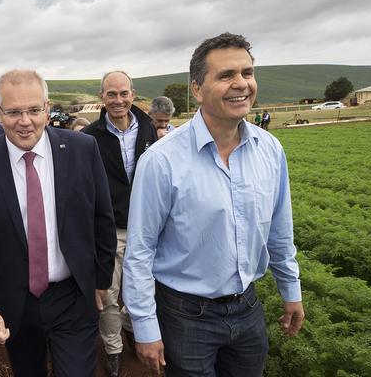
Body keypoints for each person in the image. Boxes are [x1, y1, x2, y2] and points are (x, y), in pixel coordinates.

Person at [123, 32, 305, 376]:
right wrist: (146, 327)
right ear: (196, 89)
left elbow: (280, 231)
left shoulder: (270, 150)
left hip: (247, 306)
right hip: (185, 315)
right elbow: (140, 251)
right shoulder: (162, 160)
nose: (241, 84)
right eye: (225, 75)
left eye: (247, 73)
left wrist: (290, 289)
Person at [0, 69, 117, 377]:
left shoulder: (82, 150)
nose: (25, 121)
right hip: (15, 302)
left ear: (47, 107)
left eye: (33, 110)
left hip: (72, 296)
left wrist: (100, 278)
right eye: (13, 112)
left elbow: (102, 218)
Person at [83, 71, 158, 376]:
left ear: (133, 94)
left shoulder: (149, 129)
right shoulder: (89, 137)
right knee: (109, 292)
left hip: (147, 227)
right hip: (109, 229)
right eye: (111, 94)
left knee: (145, 288)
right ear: (102, 97)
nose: (118, 100)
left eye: (124, 93)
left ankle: (134, 328)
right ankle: (113, 349)